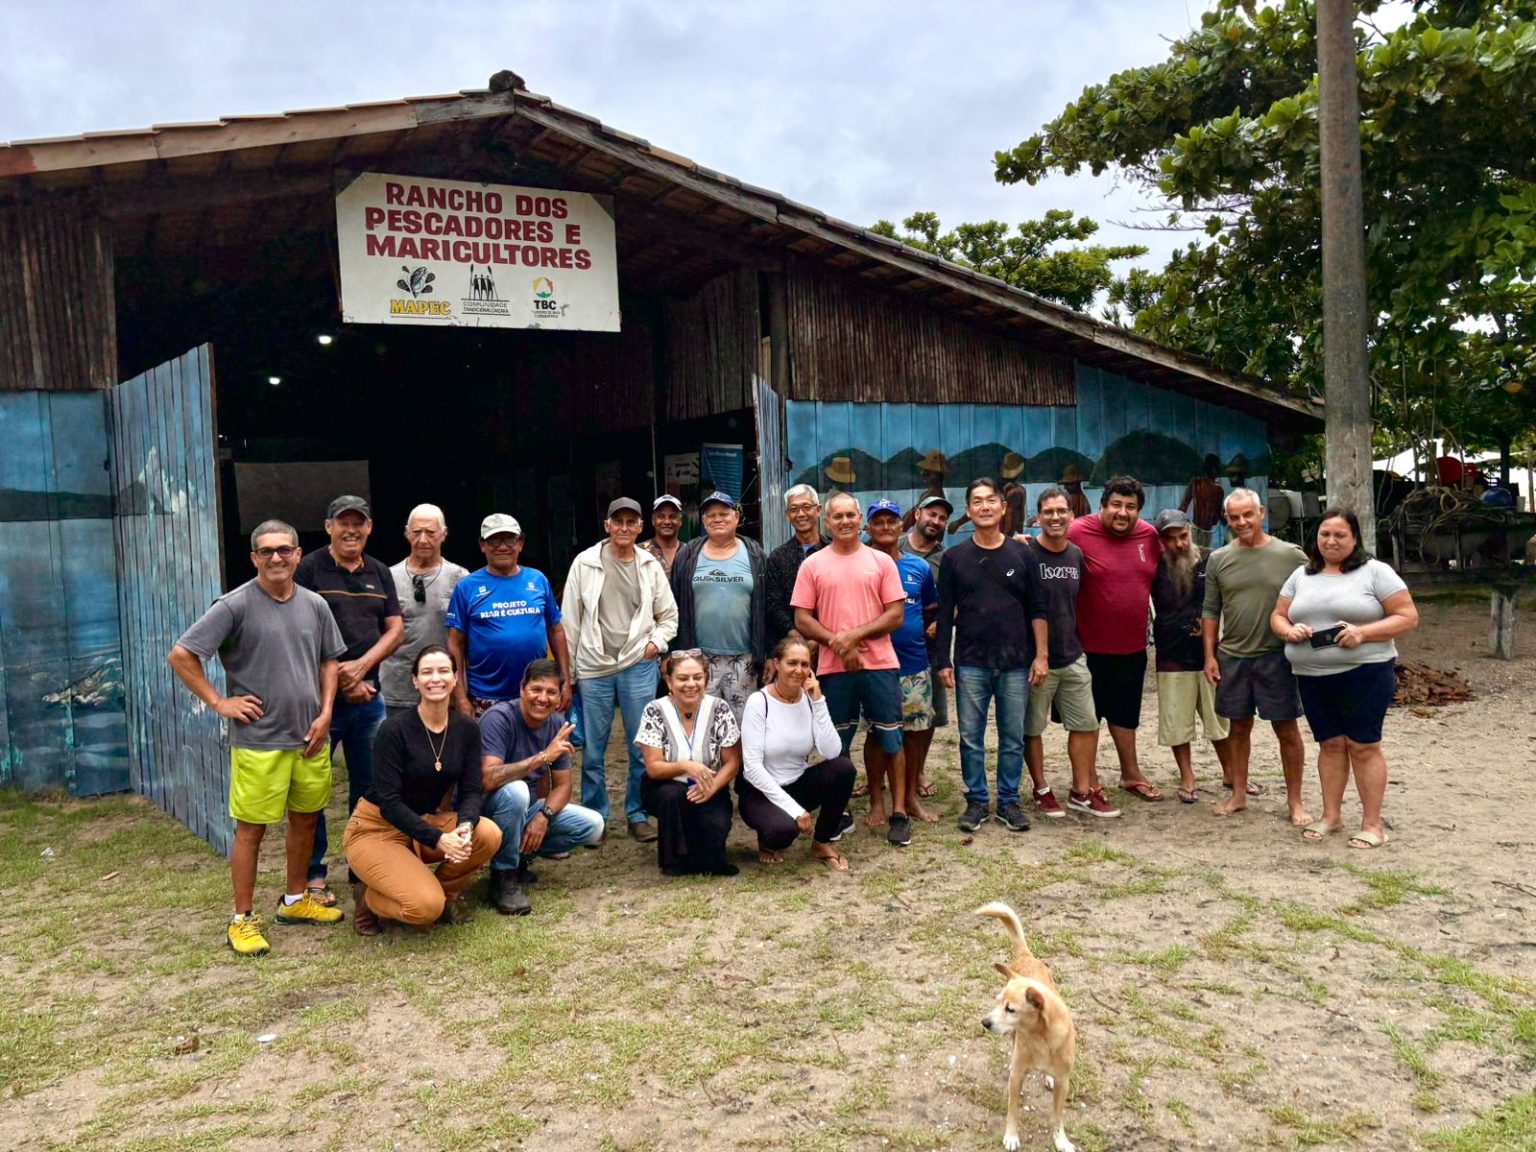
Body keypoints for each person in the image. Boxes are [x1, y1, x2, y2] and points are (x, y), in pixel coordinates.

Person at [167, 519, 346, 955]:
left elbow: (329, 662)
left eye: (284, 550)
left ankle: (295, 899)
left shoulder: (315, 605)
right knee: (252, 831)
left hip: (309, 738)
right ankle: (242, 919)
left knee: (305, 819)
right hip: (260, 741)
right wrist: (220, 703)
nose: (276, 558)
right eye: (266, 551)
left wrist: (326, 713)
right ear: (254, 558)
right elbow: (181, 654)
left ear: (299, 554)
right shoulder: (234, 605)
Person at [1271, 508, 1418, 849]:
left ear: (1355, 539)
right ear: (1316, 537)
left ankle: (1372, 824)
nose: (1331, 541)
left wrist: (1363, 633)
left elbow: (1408, 616)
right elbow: (1277, 616)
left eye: (1340, 535)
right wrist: (1289, 630)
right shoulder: (1301, 575)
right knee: (1331, 745)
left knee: (1363, 746)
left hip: (1365, 672)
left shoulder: (1376, 572)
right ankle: (1331, 816)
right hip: (1312, 675)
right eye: (1325, 534)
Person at [343, 645, 502, 934]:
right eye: (427, 672)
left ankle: (445, 896)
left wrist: (465, 826)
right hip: (376, 827)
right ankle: (368, 898)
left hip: (422, 823)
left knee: (488, 834)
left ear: (455, 678)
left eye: (443, 671)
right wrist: (440, 839)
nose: (435, 678)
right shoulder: (393, 730)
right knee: (423, 908)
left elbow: (470, 790)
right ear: (415, 681)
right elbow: (389, 802)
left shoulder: (467, 729)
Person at [295, 495, 404, 907]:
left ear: (370, 528)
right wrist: (344, 678)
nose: (351, 530)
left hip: (369, 698)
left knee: (370, 785)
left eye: (359, 523)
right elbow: (302, 631)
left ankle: (362, 866)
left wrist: (362, 668)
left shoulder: (379, 571)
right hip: (320, 702)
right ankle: (314, 874)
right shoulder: (308, 570)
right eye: (343, 523)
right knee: (313, 788)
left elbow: (395, 630)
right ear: (328, 528)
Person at [792, 494, 909, 846]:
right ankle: (838, 811)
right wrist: (837, 644)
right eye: (837, 516)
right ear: (826, 522)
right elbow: (802, 618)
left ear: (860, 519)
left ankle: (899, 812)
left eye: (850, 515)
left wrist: (853, 637)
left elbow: (895, 614)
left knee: (891, 737)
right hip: (832, 668)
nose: (844, 521)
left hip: (880, 664)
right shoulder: (813, 565)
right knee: (835, 743)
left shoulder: (880, 561)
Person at [935, 478, 1048, 834]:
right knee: (971, 735)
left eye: (990, 501)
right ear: (968, 511)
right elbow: (944, 613)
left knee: (1012, 735)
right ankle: (978, 800)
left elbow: (1038, 609)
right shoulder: (955, 558)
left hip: (1016, 661)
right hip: (971, 661)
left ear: (1003, 508)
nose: (984, 507)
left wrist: (1041, 655)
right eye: (976, 502)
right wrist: (942, 660)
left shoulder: (1024, 555)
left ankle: (1009, 800)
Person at [563, 497, 679, 843]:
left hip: (636, 665)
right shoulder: (584, 563)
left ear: (640, 527)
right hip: (594, 666)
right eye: (618, 522)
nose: (624, 528)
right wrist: (568, 675)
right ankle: (595, 817)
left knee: (640, 745)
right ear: (607, 526)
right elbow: (569, 620)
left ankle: (637, 813)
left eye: (632, 522)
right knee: (594, 750)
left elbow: (669, 616)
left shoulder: (649, 565)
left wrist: (654, 645)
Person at [1201, 488, 1311, 822]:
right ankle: (1238, 794)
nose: (1242, 522)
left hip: (1277, 655)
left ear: (1261, 512)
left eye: (1247, 514)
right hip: (1233, 654)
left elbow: (1314, 595)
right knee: (1238, 728)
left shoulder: (1291, 555)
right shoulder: (1219, 559)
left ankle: (1296, 802)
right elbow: (1210, 610)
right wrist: (1210, 655)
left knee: (1286, 728)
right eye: (1234, 517)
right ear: (1227, 519)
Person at [477, 659, 605, 915]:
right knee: (517, 791)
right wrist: (541, 758)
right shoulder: (498, 718)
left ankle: (520, 858)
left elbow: (563, 786)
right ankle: (504, 876)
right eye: (536, 689)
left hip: (524, 808)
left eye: (551, 692)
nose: (542, 698)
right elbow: (488, 779)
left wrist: (543, 816)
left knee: (593, 824)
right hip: (485, 809)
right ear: (522, 688)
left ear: (560, 698)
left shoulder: (557, 724)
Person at [1067, 475, 1164, 804]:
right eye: (1117, 505)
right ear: (1103, 506)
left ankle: (1130, 773)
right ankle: (1089, 778)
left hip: (1132, 646)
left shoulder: (1149, 536)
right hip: (1086, 647)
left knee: (1125, 715)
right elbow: (1048, 554)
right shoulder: (1078, 531)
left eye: (1131, 507)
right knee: (1087, 717)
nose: (1123, 513)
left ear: (1139, 511)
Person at [1022, 487, 1112, 818]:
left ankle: (1081, 791)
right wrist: (1034, 654)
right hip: (1035, 659)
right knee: (1032, 729)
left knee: (1087, 724)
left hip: (1073, 655)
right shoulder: (1026, 554)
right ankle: (1042, 789)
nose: (1055, 517)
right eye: (1048, 512)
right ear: (1038, 517)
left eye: (1062, 511)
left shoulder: (1076, 555)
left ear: (1072, 515)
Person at [738, 637, 857, 870]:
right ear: (777, 664)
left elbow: (832, 751)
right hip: (760, 791)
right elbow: (752, 769)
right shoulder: (758, 702)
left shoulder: (811, 699)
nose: (799, 670)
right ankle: (767, 841)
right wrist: (795, 811)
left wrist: (819, 702)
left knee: (844, 769)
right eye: (792, 663)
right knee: (783, 831)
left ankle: (822, 842)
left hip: (797, 783)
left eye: (805, 664)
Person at [446, 513, 570, 718]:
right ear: (482, 545)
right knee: (492, 751)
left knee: (543, 750)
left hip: (537, 693)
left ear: (520, 543)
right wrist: (459, 697)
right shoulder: (467, 587)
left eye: (510, 539)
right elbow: (454, 644)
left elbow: (556, 630)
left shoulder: (537, 580)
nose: (502, 547)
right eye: (494, 540)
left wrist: (564, 680)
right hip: (486, 697)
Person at [1150, 509, 1234, 804]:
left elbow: (1228, 599)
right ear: (1161, 541)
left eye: (1182, 536)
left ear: (1190, 531)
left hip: (1209, 654)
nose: (1179, 544)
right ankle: (1187, 777)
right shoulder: (1154, 567)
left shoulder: (1213, 559)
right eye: (1170, 539)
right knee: (1176, 721)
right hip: (1171, 652)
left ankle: (1231, 773)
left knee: (1220, 719)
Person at [634, 651, 743, 876]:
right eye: (683, 678)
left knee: (712, 855)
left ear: (706, 678)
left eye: (697, 677)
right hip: (666, 785)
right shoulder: (654, 710)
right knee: (671, 796)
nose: (691, 684)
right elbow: (653, 767)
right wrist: (686, 766)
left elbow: (732, 763)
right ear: (669, 681)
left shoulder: (720, 708)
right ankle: (673, 859)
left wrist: (712, 787)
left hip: (710, 785)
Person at [867, 498, 939, 826]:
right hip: (874, 667)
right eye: (877, 522)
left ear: (902, 526)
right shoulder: (861, 564)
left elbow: (930, 611)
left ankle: (909, 797)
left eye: (891, 522)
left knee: (915, 734)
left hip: (914, 665)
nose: (884, 528)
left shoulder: (919, 568)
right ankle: (877, 800)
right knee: (876, 736)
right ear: (868, 527)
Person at [669, 491, 768, 720]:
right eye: (710, 515)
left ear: (737, 518)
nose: (717, 519)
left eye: (724, 513)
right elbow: (673, 604)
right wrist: (671, 653)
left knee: (744, 723)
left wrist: (768, 652)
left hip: (744, 658)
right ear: (703, 521)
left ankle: (740, 758)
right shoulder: (687, 554)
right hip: (698, 658)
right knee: (700, 721)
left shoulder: (755, 554)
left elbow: (766, 606)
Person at [380, 504, 469, 720]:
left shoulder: (461, 578)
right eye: (416, 532)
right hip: (397, 689)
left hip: (445, 688)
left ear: (444, 534)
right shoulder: (387, 578)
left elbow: (469, 638)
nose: (422, 540)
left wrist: (462, 695)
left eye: (430, 532)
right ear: (406, 533)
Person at [902, 494, 951, 798]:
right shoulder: (890, 547)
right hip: (890, 647)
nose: (936, 521)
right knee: (883, 717)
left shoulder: (946, 559)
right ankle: (879, 774)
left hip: (930, 650)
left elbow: (956, 600)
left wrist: (943, 621)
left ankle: (917, 771)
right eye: (931, 514)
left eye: (942, 518)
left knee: (927, 716)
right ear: (918, 514)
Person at [764, 484, 829, 648]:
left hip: (832, 642)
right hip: (792, 646)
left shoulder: (833, 551)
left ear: (818, 510)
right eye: (794, 509)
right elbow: (773, 605)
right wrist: (799, 639)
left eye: (806, 507)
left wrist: (821, 639)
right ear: (787, 515)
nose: (800, 514)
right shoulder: (778, 557)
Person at [1180, 454, 1226, 547]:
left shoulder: (1195, 483)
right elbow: (1216, 519)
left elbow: (1183, 506)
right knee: (1203, 557)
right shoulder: (1218, 490)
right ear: (1214, 469)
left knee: (1195, 557)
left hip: (1195, 527)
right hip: (1206, 530)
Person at [643, 494, 685, 575]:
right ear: (653, 520)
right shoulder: (639, 552)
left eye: (673, 517)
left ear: (680, 521)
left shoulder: (690, 553)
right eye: (661, 516)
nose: (667, 522)